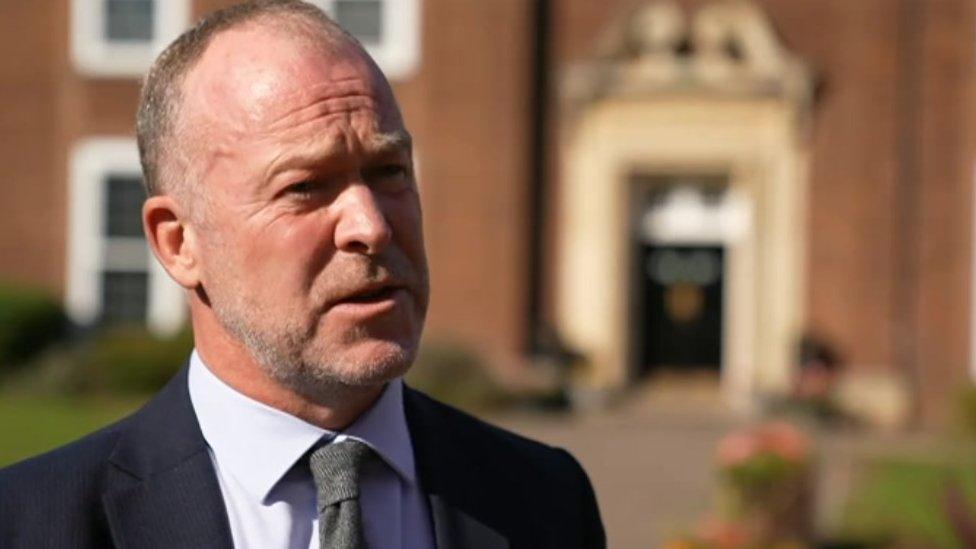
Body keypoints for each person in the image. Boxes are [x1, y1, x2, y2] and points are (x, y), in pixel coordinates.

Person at [0, 1, 605, 548]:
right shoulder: (31, 523)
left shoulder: (545, 500)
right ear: (179, 242)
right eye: (306, 186)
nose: (370, 226)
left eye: (389, 170)